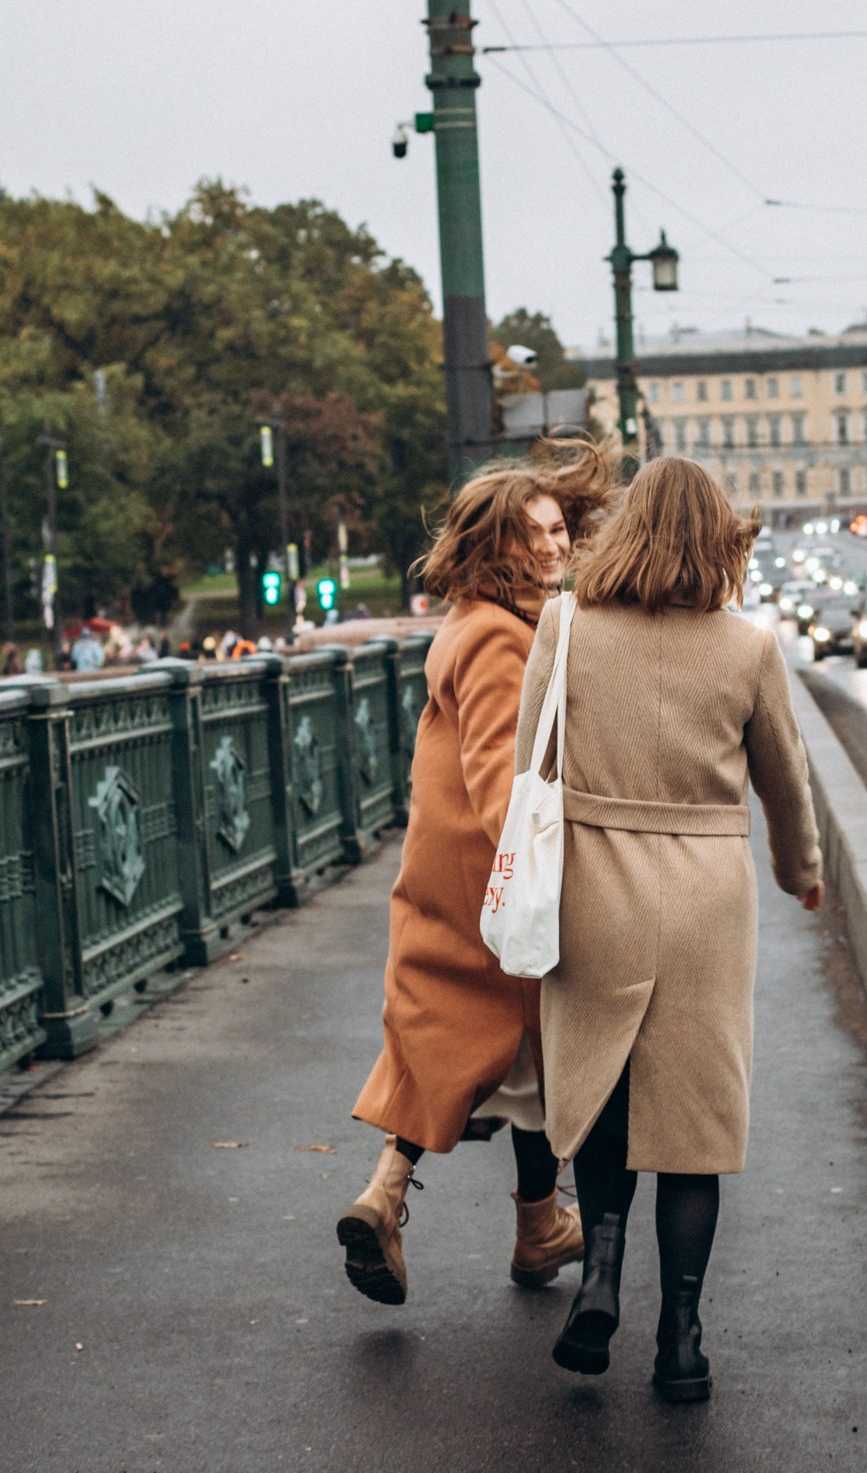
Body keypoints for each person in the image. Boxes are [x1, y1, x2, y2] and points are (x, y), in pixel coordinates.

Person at [518, 456, 821, 1403]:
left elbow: (533, 762)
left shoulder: (566, 626)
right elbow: (786, 782)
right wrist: (800, 873)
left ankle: (600, 1275)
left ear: (628, 529)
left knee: (607, 1094)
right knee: (693, 1126)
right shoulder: (748, 649)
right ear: (719, 541)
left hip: (593, 889)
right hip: (704, 900)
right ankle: (682, 1341)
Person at [342, 439, 615, 1306]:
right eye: (532, 532)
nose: (553, 544)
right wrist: (540, 875)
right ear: (492, 544)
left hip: (445, 874)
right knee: (516, 1049)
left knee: (476, 1054)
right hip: (487, 889)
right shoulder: (502, 639)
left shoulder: (474, 620)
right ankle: (443, 1207)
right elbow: (505, 780)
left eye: (559, 527)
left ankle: (515, 1223)